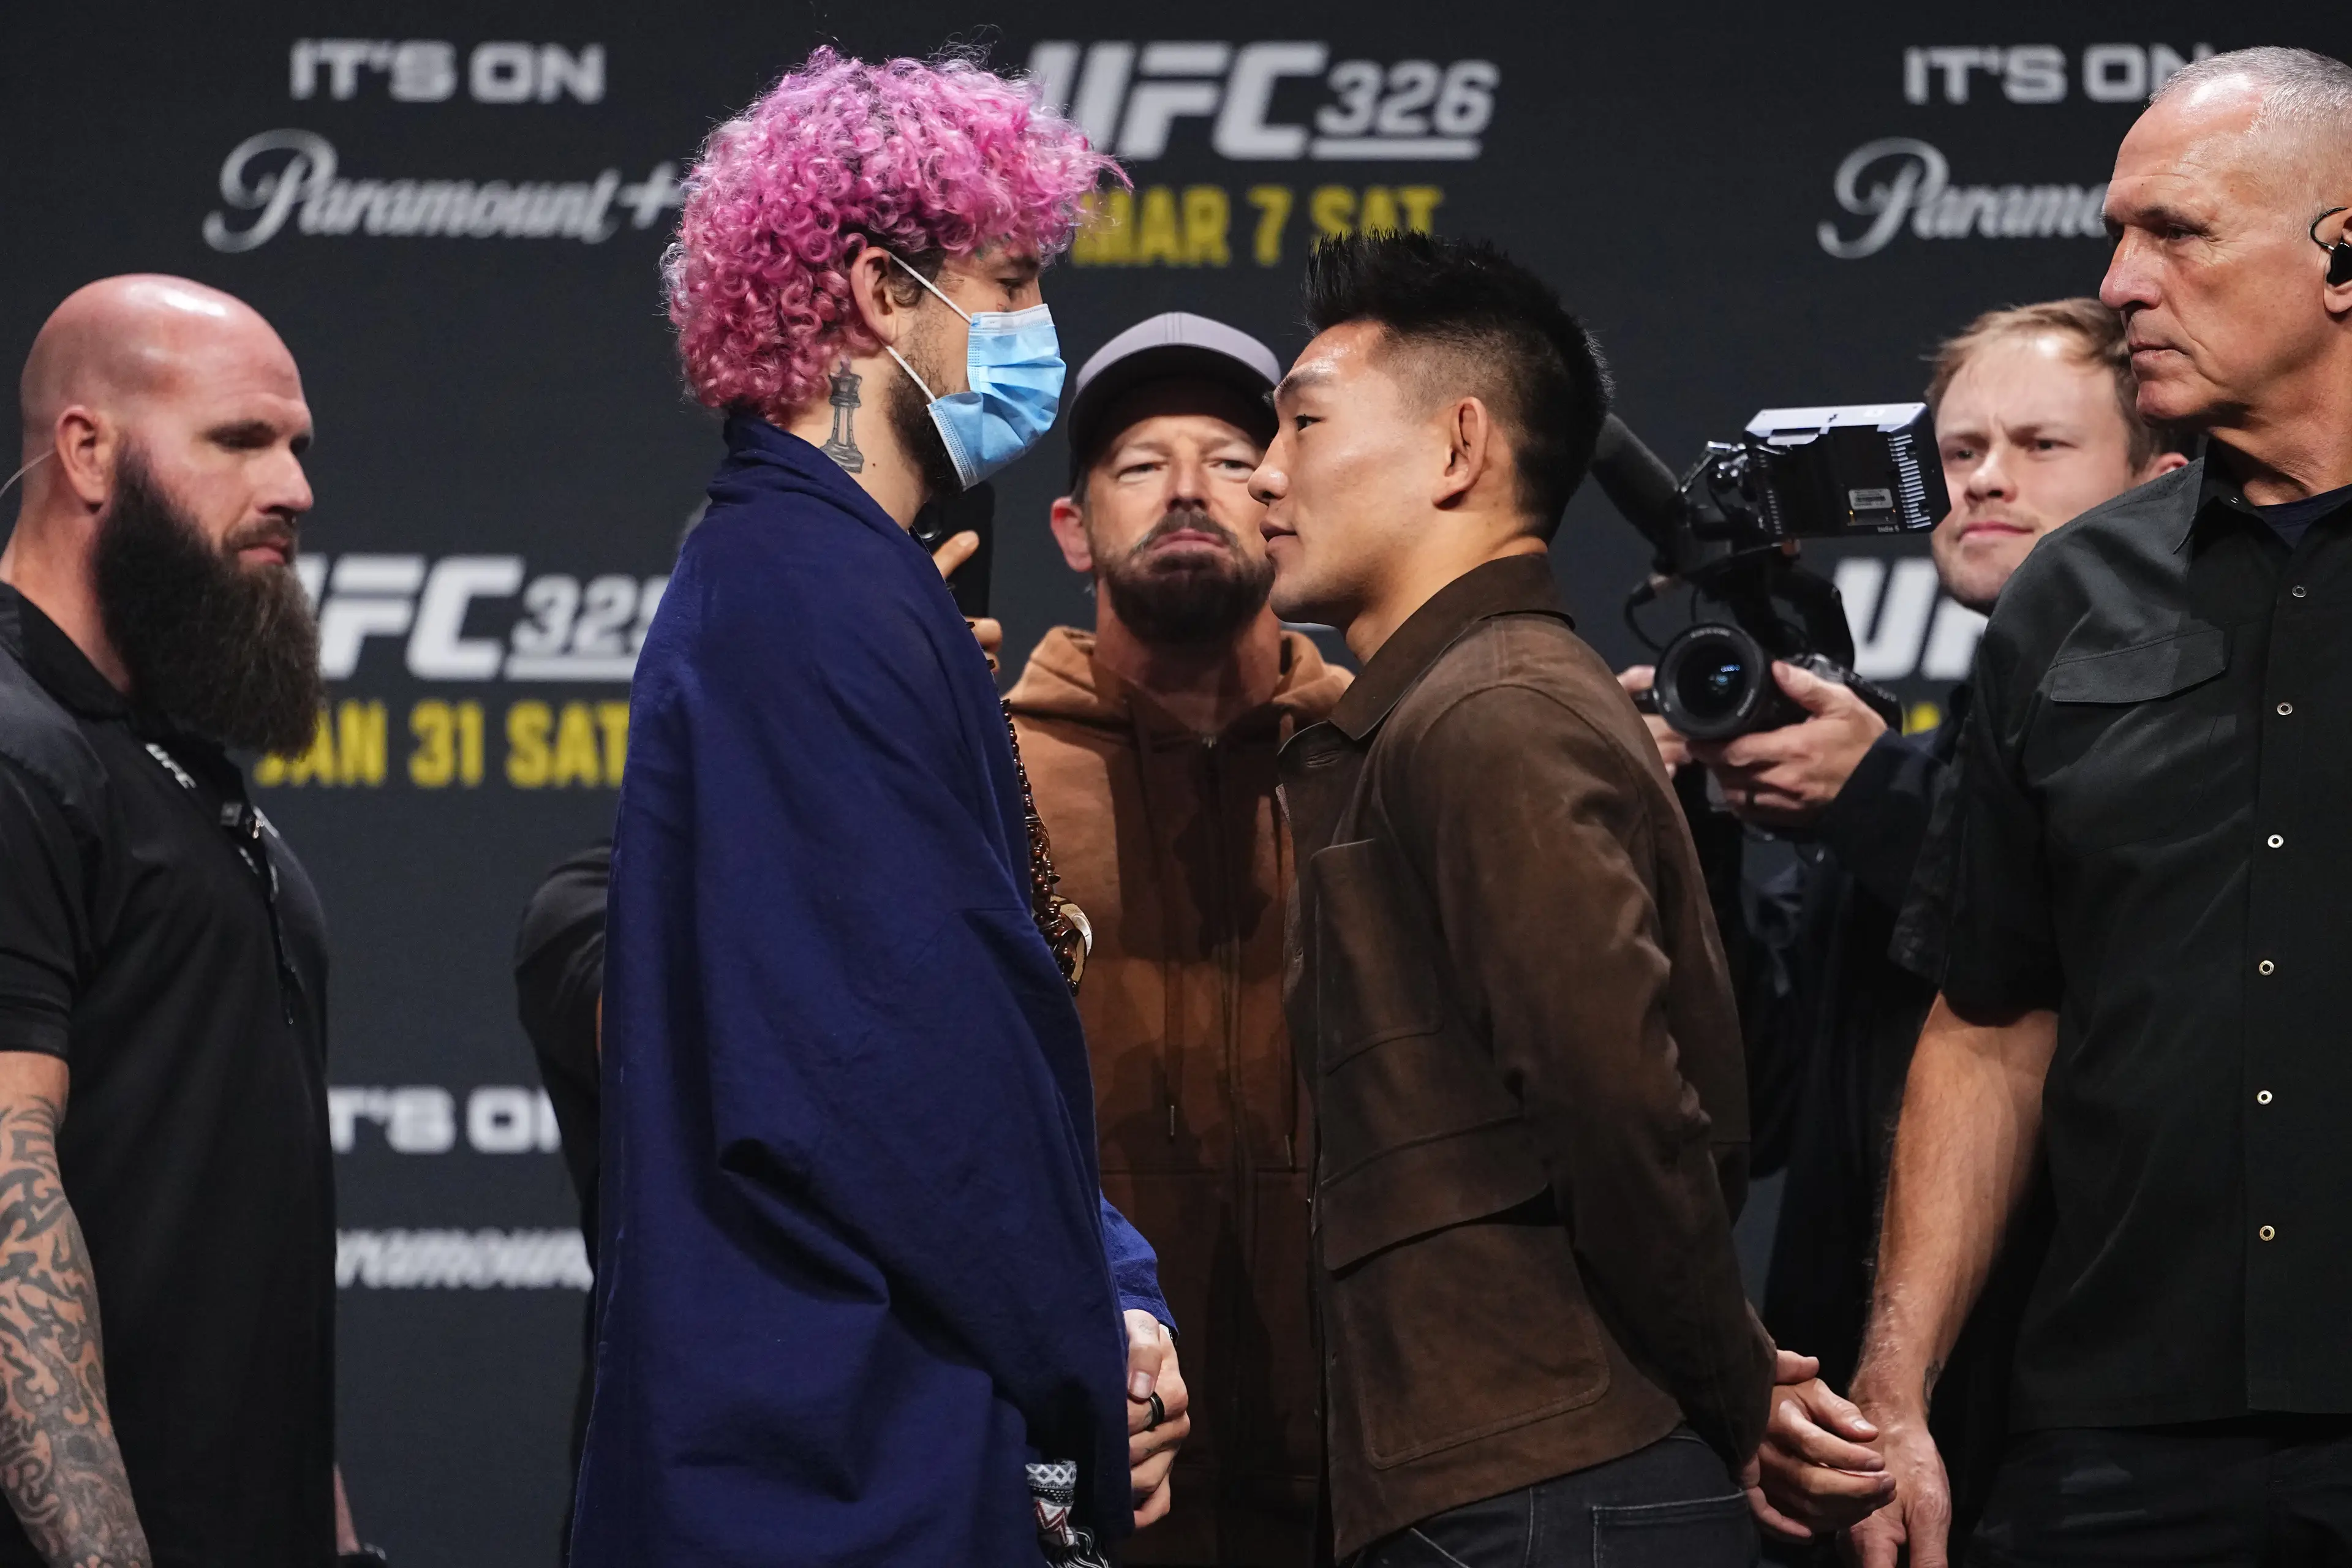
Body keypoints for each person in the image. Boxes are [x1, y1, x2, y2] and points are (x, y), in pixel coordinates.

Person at [571, 50, 1186, 1566]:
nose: (1038, 327)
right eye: (1011, 277)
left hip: (849, 1429)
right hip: (831, 1460)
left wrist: (1111, 1278)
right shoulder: (810, 595)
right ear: (875, 292)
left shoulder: (826, 579)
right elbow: (904, 1071)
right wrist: (1083, 1346)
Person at [1850, 47, 2352, 1566]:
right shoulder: (2069, 594)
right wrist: (1896, 1382)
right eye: (2118, 233)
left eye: (2177, 232)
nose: (2121, 280)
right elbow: (1991, 1018)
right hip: (2118, 1442)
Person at [1622, 298, 2187, 1555]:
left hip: (2079, 1415)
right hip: (1861, 1401)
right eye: (1961, 449)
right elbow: (1757, 1102)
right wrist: (1693, 820)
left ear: (2161, 480)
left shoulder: (2189, 741)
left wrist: (1876, 797)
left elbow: (2104, 973)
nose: (1986, 479)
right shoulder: (1916, 755)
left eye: (2042, 447)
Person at [1253, 229, 1773, 1566]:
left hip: (1554, 1485)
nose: (1264, 474)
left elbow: (1617, 1098)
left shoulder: (1491, 713)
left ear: (1460, 446)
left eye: (1303, 422)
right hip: (1509, 1473)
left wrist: (1745, 1391)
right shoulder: (1457, 705)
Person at [0, 276, 364, 1564]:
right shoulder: (15, 753)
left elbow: (234, 1245)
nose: (294, 488)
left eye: (298, 446)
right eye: (240, 441)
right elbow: (5, 1199)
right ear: (89, 450)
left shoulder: (168, 762)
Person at [1007, 312, 1350, 1564]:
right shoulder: (989, 772)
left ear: (1286, 502)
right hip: (1084, 1467)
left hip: (1359, 1480)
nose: (1191, 489)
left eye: (1228, 455)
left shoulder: (1392, 761)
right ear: (1072, 526)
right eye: (1143, 463)